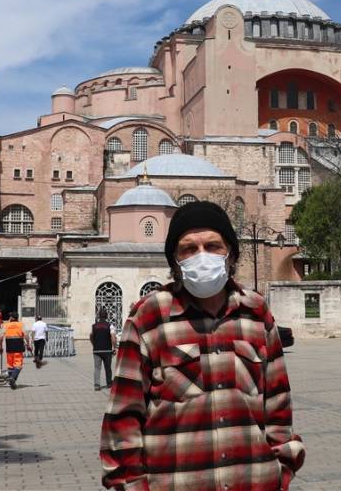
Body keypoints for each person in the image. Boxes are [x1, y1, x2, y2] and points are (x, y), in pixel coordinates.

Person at [101, 201, 305, 490]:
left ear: (231, 253)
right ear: (175, 261)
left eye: (213, 246)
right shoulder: (149, 317)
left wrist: (280, 471)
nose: (202, 256)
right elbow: (123, 417)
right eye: (189, 249)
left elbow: (278, 406)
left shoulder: (255, 311)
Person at [0, 311, 31, 389]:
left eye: (10, 317)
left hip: (9, 348)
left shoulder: (6, 325)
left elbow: (0, 337)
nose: (9, 318)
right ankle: (12, 379)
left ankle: (12, 382)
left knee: (10, 365)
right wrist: (28, 344)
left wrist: (0, 347)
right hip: (18, 347)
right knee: (18, 365)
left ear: (12, 318)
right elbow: (26, 335)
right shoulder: (21, 325)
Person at [89, 309, 116, 391]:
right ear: (106, 316)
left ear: (99, 316)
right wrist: (114, 348)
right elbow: (113, 338)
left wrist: (94, 344)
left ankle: (97, 385)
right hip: (107, 350)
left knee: (97, 368)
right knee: (108, 367)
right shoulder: (110, 325)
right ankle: (109, 383)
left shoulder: (94, 326)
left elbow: (91, 336)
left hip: (96, 350)